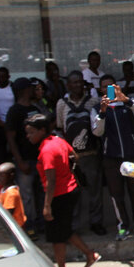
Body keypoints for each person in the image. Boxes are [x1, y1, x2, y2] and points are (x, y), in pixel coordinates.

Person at [25, 114, 101, 267]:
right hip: (70, 190)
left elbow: (51, 181)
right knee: (63, 230)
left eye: (31, 132)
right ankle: (89, 255)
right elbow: (75, 156)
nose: (28, 136)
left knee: (57, 235)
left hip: (59, 195)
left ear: (42, 130)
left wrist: (46, 206)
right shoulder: (58, 140)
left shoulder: (46, 151)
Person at [93, 76, 134, 240]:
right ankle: (123, 226)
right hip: (111, 159)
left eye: (110, 86)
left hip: (132, 156)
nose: (107, 89)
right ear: (100, 90)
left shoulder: (128, 103)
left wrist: (126, 100)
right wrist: (103, 112)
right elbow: (97, 132)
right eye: (104, 87)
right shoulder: (97, 108)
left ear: (117, 87)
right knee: (116, 194)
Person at [55, 71, 106, 235]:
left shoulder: (92, 102)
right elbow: (60, 129)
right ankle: (74, 225)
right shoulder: (61, 104)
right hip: (71, 156)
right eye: (73, 82)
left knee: (94, 191)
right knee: (73, 192)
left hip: (90, 154)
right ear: (68, 85)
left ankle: (96, 222)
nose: (77, 85)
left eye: (80, 82)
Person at [6, 77, 44, 238]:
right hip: (25, 159)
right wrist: (19, 161)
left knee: (41, 193)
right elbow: (10, 138)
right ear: (23, 90)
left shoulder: (36, 107)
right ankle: (30, 226)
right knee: (27, 196)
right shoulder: (15, 111)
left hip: (40, 158)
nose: (33, 90)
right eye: (30, 88)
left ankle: (43, 224)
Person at [0, 162, 27, 228]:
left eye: (2, 176)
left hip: (15, 226)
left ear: (11, 175)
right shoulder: (4, 189)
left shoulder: (11, 193)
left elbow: (8, 213)